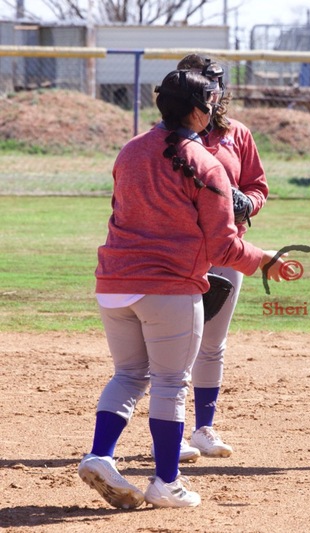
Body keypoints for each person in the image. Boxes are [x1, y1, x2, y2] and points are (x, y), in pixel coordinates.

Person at [78, 68, 284, 509]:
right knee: (171, 382)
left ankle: (100, 454)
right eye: (209, 104)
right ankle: (166, 482)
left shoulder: (131, 150)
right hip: (168, 287)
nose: (213, 111)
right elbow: (222, 247)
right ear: (197, 112)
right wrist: (265, 260)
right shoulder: (206, 165)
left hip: (114, 283)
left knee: (128, 374)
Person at [146, 53, 269, 463]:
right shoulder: (164, 137)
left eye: (214, 86)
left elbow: (257, 186)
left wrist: (247, 203)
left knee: (212, 343)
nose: (210, 95)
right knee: (174, 346)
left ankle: (203, 429)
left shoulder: (237, 134)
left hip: (227, 247)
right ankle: (170, 433)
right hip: (178, 252)